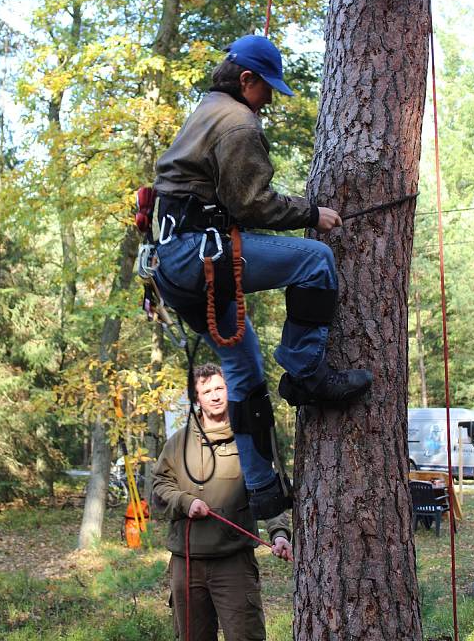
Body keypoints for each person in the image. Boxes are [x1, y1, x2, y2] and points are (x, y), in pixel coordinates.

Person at [153, 34, 373, 518]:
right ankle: (306, 373)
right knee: (315, 260)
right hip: (198, 255)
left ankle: (262, 489)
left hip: (173, 265)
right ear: (246, 79)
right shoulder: (236, 123)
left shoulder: (208, 107)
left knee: (243, 371)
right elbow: (251, 202)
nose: (269, 98)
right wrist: (312, 213)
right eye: (266, 88)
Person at [153, 363, 292, 641]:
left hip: (234, 562)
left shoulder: (249, 441)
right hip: (187, 563)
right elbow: (159, 488)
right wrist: (184, 501)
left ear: (229, 392)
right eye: (206, 391)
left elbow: (265, 491)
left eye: (220, 388)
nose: (215, 396)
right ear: (197, 398)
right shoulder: (178, 443)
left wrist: (279, 533)